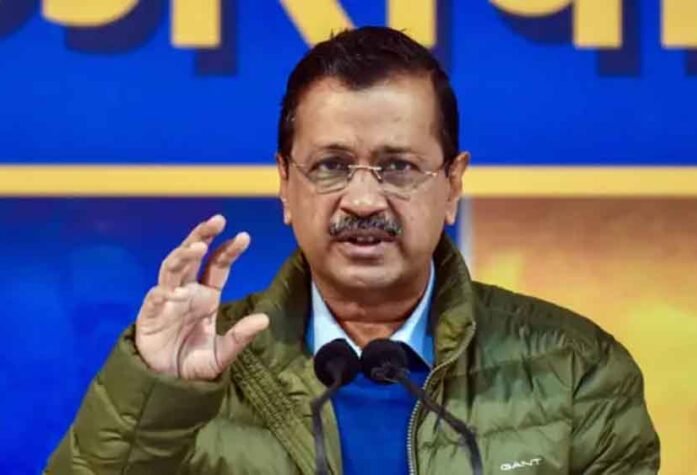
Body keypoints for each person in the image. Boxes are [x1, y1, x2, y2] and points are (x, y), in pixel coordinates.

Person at [45, 26, 660, 474]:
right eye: (331, 166)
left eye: (399, 167)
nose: (363, 200)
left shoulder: (575, 369)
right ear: (285, 185)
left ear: (452, 186)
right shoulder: (200, 371)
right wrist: (157, 396)